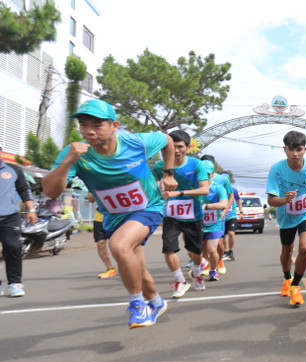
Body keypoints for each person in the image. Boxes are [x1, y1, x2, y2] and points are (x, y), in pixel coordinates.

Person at [43, 99, 177, 328]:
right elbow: (50, 191)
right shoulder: (74, 153)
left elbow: (167, 139)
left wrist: (169, 173)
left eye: (97, 125)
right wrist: (67, 162)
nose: (89, 131)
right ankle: (156, 301)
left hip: (148, 207)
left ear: (115, 126)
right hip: (115, 215)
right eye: (84, 125)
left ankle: (138, 306)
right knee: (135, 266)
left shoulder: (136, 142)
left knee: (118, 246)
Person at [152, 130, 210, 299]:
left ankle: (198, 274)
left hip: (194, 214)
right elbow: (154, 184)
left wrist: (179, 193)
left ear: (188, 147)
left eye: (180, 147)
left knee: (196, 251)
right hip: (171, 214)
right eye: (172, 147)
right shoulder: (158, 167)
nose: (176, 151)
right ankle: (180, 280)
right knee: (168, 248)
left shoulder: (196, 165)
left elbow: (204, 189)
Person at [266, 131, 306, 306]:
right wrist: (285, 199)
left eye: (299, 149)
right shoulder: (277, 169)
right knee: (287, 251)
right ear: (285, 150)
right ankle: (287, 278)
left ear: (305, 149)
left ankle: (296, 286)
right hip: (286, 215)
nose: (295, 154)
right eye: (291, 150)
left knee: (305, 248)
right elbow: (271, 201)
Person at [0, 145, 37, 297]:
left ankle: (15, 283)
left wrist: (31, 210)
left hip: (9, 216)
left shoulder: (13, 169)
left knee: (12, 246)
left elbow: (23, 189)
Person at [199, 154, 235, 276]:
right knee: (204, 244)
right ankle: (207, 264)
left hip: (218, 216)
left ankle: (219, 261)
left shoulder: (222, 181)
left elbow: (230, 195)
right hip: (201, 219)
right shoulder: (195, 182)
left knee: (218, 244)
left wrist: (225, 210)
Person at [87, 195, 116, 279]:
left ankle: (127, 266)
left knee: (117, 245)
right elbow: (91, 200)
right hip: (100, 218)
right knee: (100, 243)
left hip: (115, 218)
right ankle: (109, 268)